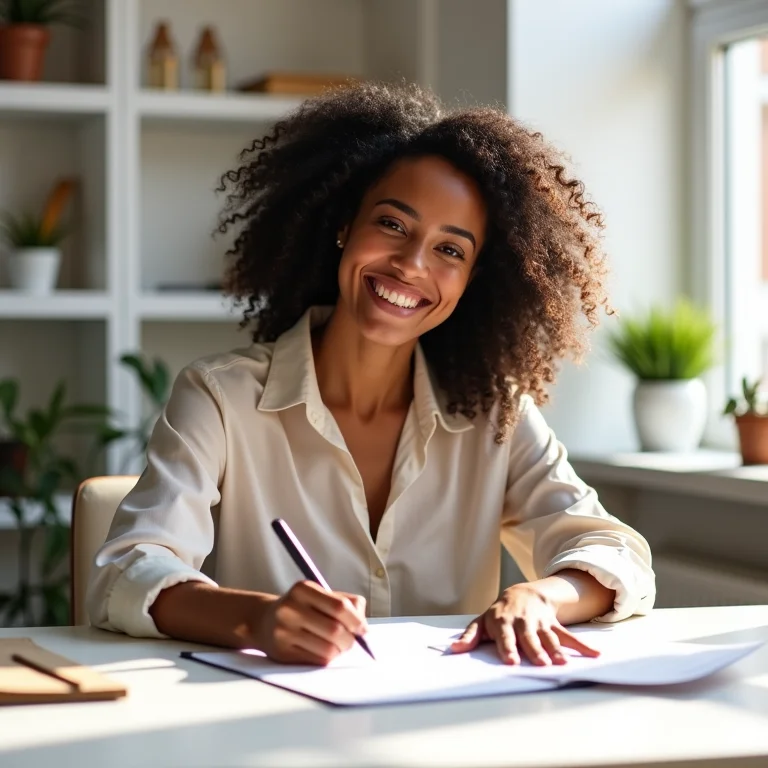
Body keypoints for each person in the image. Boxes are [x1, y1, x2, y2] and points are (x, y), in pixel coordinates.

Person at [87, 81, 655, 668]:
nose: (412, 265)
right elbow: (126, 571)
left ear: (472, 279)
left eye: (451, 251)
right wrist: (255, 616)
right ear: (343, 226)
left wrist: (540, 596)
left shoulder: (495, 416)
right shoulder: (221, 398)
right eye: (392, 224)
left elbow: (614, 552)